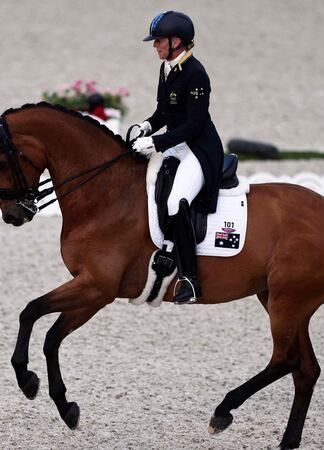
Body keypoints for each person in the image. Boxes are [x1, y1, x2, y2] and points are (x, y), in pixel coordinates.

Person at [129, 10, 224, 304]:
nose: (154, 46)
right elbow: (163, 112)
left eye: (158, 41)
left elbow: (193, 125)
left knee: (175, 202)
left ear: (177, 41)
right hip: (176, 142)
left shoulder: (196, 74)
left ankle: (190, 279)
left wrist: (155, 142)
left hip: (198, 147)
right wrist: (147, 125)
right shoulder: (167, 67)